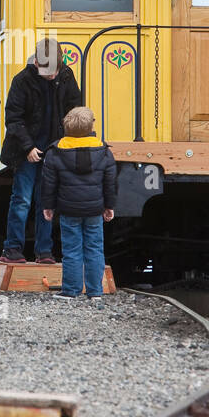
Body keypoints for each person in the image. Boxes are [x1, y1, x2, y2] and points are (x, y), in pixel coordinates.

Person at [0, 37, 82, 265]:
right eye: (48, 72)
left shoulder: (66, 76)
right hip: (27, 150)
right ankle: (12, 249)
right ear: (36, 63)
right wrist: (28, 147)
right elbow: (13, 119)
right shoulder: (22, 81)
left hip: (54, 150)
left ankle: (44, 252)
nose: (52, 76)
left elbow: (75, 110)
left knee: (47, 202)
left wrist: (66, 143)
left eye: (55, 71)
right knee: (22, 199)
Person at [41, 107, 117, 302]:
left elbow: (48, 183)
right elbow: (110, 183)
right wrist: (110, 205)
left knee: (72, 250)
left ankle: (71, 290)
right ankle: (95, 292)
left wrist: (47, 206)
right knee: (94, 248)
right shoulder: (104, 151)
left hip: (68, 210)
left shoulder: (55, 151)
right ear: (91, 126)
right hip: (94, 210)